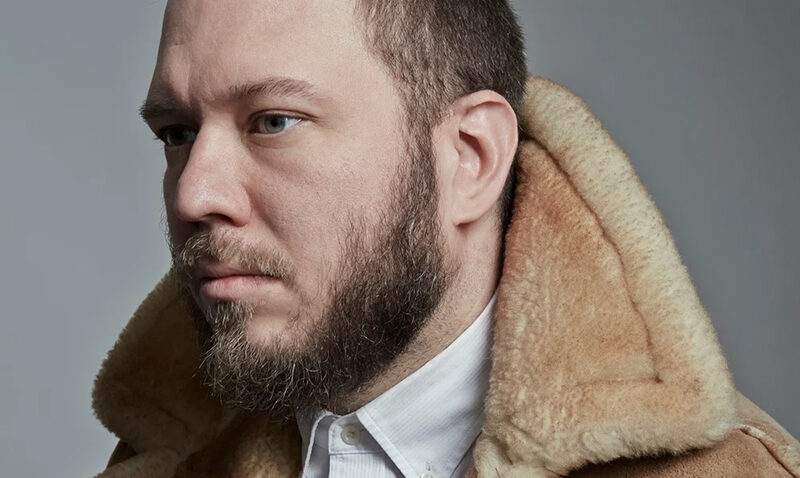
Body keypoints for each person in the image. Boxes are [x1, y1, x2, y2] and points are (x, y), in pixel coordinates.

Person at [92, 1, 799, 477]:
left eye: (272, 121)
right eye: (178, 134)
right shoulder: (160, 457)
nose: (193, 194)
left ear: (470, 158)